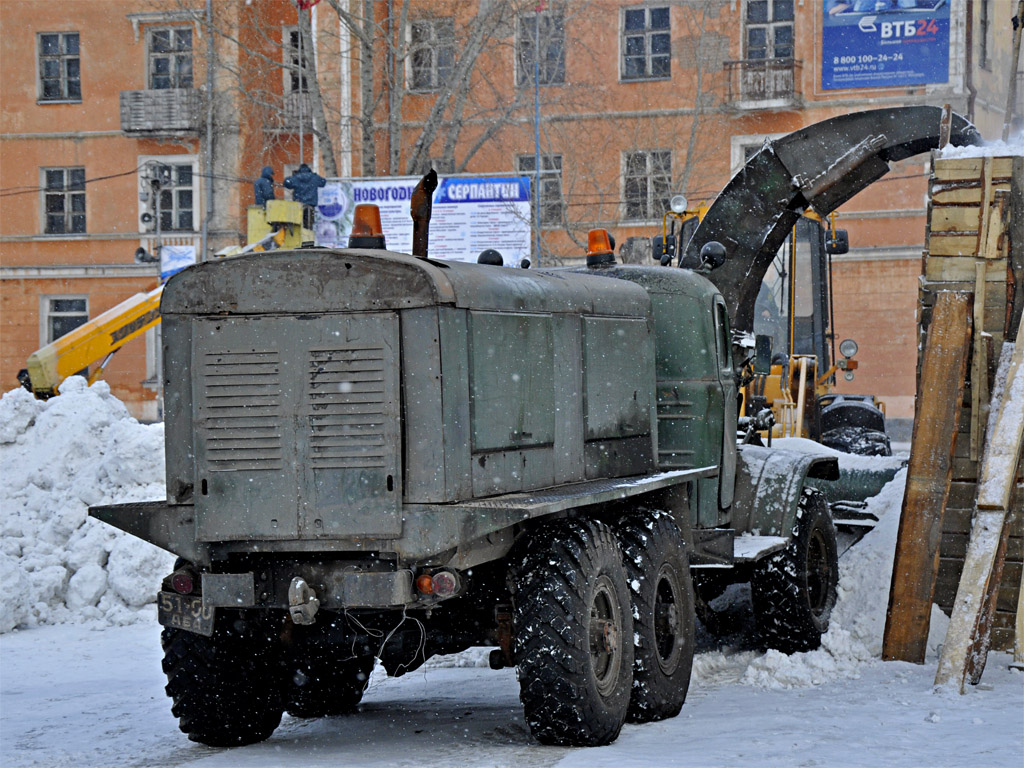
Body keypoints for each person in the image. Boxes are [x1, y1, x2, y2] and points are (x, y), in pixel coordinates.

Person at [284, 163, 327, 228]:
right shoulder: (314, 177)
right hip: (310, 205)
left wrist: (292, 176)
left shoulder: (296, 177)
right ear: (309, 169)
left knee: (298, 224)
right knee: (309, 225)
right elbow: (323, 182)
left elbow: (286, 183)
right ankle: (308, 234)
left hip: (299, 205)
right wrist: (315, 176)